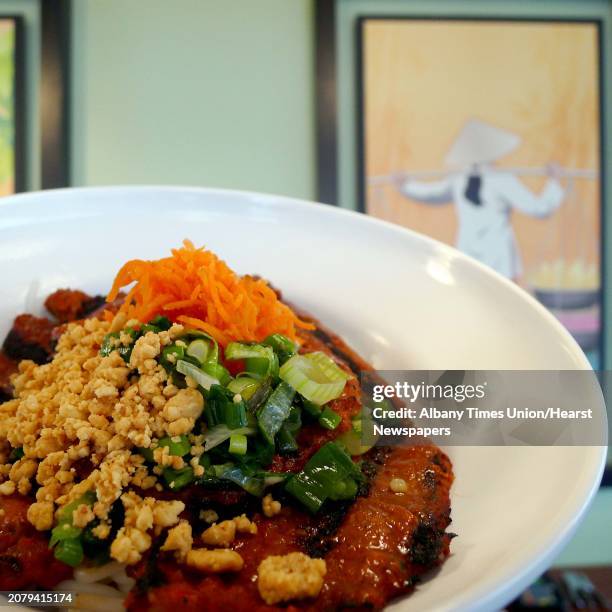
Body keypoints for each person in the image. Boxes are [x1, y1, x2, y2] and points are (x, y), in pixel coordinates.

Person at [393, 118, 564, 279]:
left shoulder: (460, 179)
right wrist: (554, 183)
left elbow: (432, 194)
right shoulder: (500, 179)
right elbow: (538, 208)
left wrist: (406, 186)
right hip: (498, 258)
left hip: (469, 254)